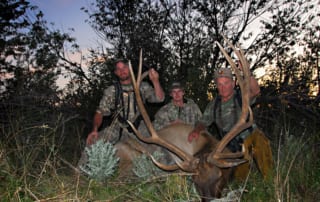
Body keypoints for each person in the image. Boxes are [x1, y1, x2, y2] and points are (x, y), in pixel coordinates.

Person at [188, 66, 273, 179]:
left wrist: (246, 71)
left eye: (226, 83)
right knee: (239, 180)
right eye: (220, 84)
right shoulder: (214, 105)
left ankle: (272, 183)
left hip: (251, 137)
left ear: (233, 84)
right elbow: (203, 122)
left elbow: (256, 91)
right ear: (217, 86)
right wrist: (197, 130)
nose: (223, 88)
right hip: (232, 146)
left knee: (262, 147)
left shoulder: (241, 97)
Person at [86, 59, 165, 146]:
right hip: (117, 127)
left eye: (124, 67)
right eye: (118, 69)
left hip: (140, 126)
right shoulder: (111, 90)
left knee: (158, 146)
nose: (122, 71)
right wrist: (95, 130)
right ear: (116, 72)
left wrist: (155, 81)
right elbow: (99, 113)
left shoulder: (142, 86)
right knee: (93, 143)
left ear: (130, 69)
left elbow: (160, 98)